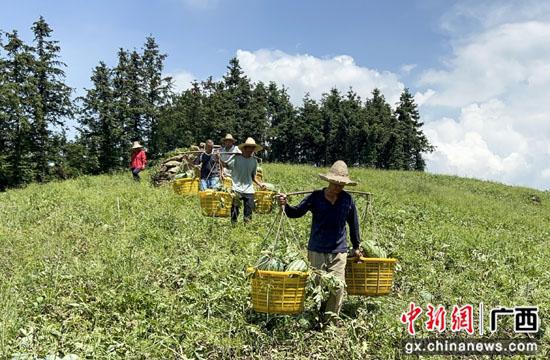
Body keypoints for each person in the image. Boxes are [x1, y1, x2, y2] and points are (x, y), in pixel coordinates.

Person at [278, 160, 362, 325]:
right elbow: (296, 212)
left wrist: (357, 246)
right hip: (317, 249)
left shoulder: (347, 200)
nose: (338, 187)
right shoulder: (315, 197)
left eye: (341, 184)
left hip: (339, 250)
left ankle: (330, 322)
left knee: (337, 287)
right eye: (335, 183)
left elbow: (354, 224)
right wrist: (284, 205)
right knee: (318, 287)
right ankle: (316, 318)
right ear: (329, 181)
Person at [223, 137, 266, 223]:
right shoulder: (236, 158)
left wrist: (260, 184)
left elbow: (253, 176)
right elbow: (226, 165)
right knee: (235, 210)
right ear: (245, 148)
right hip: (236, 188)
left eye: (252, 149)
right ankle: (233, 225)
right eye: (249, 148)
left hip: (249, 189)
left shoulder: (254, 161)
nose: (251, 151)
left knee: (248, 212)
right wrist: (218, 159)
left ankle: (247, 227)